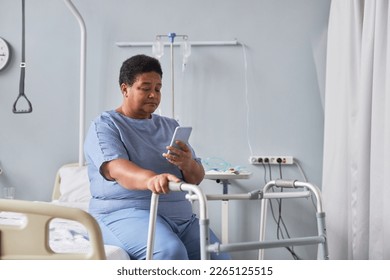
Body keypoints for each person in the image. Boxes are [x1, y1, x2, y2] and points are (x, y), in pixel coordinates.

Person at [84, 54, 229, 260]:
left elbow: (195, 178)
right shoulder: (106, 125)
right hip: (124, 215)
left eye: (158, 89)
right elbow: (116, 169)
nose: (153, 94)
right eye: (145, 88)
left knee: (220, 259)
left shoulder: (170, 126)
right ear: (125, 89)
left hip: (182, 220)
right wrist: (152, 179)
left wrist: (188, 164)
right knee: (171, 253)